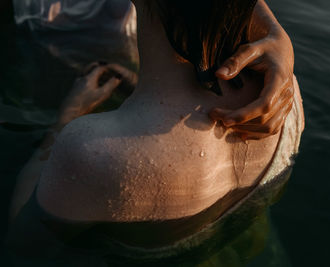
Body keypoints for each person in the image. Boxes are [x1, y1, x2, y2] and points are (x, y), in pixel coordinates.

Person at [8, 0, 304, 255]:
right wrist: (277, 34)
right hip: (247, 248)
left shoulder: (92, 153)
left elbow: (23, 246)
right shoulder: (282, 89)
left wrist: (64, 121)